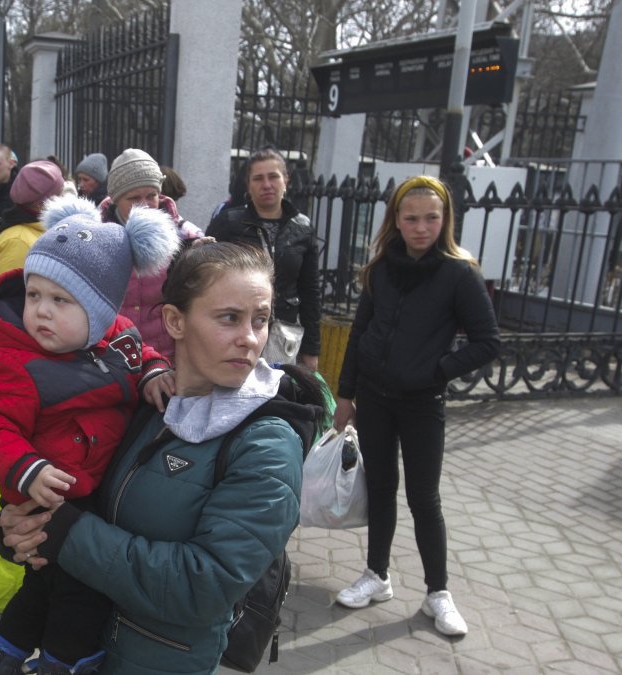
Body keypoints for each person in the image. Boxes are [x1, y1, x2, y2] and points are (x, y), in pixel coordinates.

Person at [0, 241, 322, 675]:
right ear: (174, 321)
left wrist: (66, 533)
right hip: (85, 650)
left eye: (260, 320)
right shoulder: (145, 402)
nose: (250, 339)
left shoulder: (267, 445)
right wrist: (13, 531)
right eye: (229, 318)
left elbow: (204, 585)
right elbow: (70, 490)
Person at [0, 196, 178, 675]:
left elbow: (140, 352)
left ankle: (2, 654)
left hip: (91, 488)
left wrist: (154, 372)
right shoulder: (13, 357)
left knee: (43, 588)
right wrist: (27, 469)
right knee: (81, 592)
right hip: (46, 491)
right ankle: (66, 662)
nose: (40, 311)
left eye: (60, 301)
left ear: (99, 312)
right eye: (34, 294)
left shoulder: (115, 334)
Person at [331, 175, 500, 637]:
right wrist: (345, 395)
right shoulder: (382, 267)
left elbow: (488, 343)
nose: (421, 227)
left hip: (423, 403)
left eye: (431, 217)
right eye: (411, 218)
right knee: (381, 488)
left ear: (444, 220)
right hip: (375, 399)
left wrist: (436, 370)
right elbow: (360, 334)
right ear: (397, 221)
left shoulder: (459, 273)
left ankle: (437, 594)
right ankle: (376, 575)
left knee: (424, 498)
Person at [206, 148, 322, 369]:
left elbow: (311, 292)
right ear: (249, 185)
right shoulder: (229, 222)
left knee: (278, 396)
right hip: (237, 329)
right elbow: (207, 277)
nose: (266, 184)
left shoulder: (303, 228)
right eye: (258, 178)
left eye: (273, 176)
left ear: (285, 179)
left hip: (284, 336)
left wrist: (311, 350)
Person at [99, 149, 202, 362]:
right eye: (134, 198)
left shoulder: (185, 237)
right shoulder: (96, 237)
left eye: (151, 195)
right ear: (116, 199)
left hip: (165, 358)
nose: (145, 204)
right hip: (112, 356)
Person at [0, 159, 65, 278]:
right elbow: (12, 295)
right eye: (60, 194)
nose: (65, 199)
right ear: (40, 204)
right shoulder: (17, 242)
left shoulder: (40, 230)